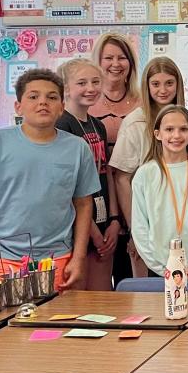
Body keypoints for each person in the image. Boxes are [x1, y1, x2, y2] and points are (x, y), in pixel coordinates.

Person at [0, 68, 99, 290]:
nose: (43, 102)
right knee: (3, 322)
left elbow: (83, 204)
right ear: (18, 106)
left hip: (57, 258)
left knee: (55, 322)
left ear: (61, 107)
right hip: (0, 258)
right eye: (33, 96)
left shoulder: (78, 148)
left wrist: (78, 257)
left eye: (51, 97)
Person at [109, 57, 185, 279]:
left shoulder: (184, 120)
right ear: (146, 86)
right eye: (156, 84)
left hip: (177, 222)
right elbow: (122, 178)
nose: (163, 90)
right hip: (147, 224)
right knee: (148, 294)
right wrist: (136, 230)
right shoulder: (136, 123)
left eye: (169, 83)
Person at [130, 105, 188, 280]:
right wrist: (162, 269)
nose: (176, 135)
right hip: (159, 270)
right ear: (157, 134)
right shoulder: (145, 174)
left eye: (183, 129)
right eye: (169, 129)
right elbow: (140, 228)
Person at [55, 58, 120, 291]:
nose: (91, 88)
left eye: (95, 82)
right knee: (79, 298)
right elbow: (68, 187)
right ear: (66, 89)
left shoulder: (97, 125)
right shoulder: (62, 126)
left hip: (103, 219)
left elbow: (107, 173)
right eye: (82, 82)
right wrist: (91, 230)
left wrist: (114, 220)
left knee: (102, 296)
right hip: (80, 225)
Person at [90, 33, 140, 284]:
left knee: (131, 274)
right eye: (108, 57)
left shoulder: (143, 102)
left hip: (135, 195)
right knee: (99, 276)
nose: (115, 64)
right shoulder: (86, 103)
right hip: (99, 197)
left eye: (122, 58)